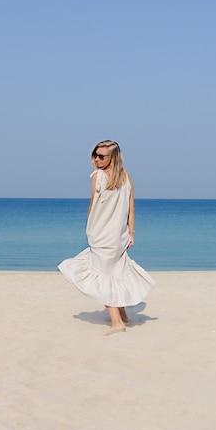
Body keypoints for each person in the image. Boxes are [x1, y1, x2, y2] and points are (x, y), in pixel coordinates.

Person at [58, 140, 155, 335]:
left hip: (102, 235)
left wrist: (89, 228)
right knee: (115, 273)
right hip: (118, 235)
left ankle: (117, 323)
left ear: (113, 158)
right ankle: (123, 315)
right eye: (95, 155)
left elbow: (93, 205)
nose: (97, 159)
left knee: (102, 277)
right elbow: (131, 209)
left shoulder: (98, 176)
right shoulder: (126, 176)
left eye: (102, 156)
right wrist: (130, 233)